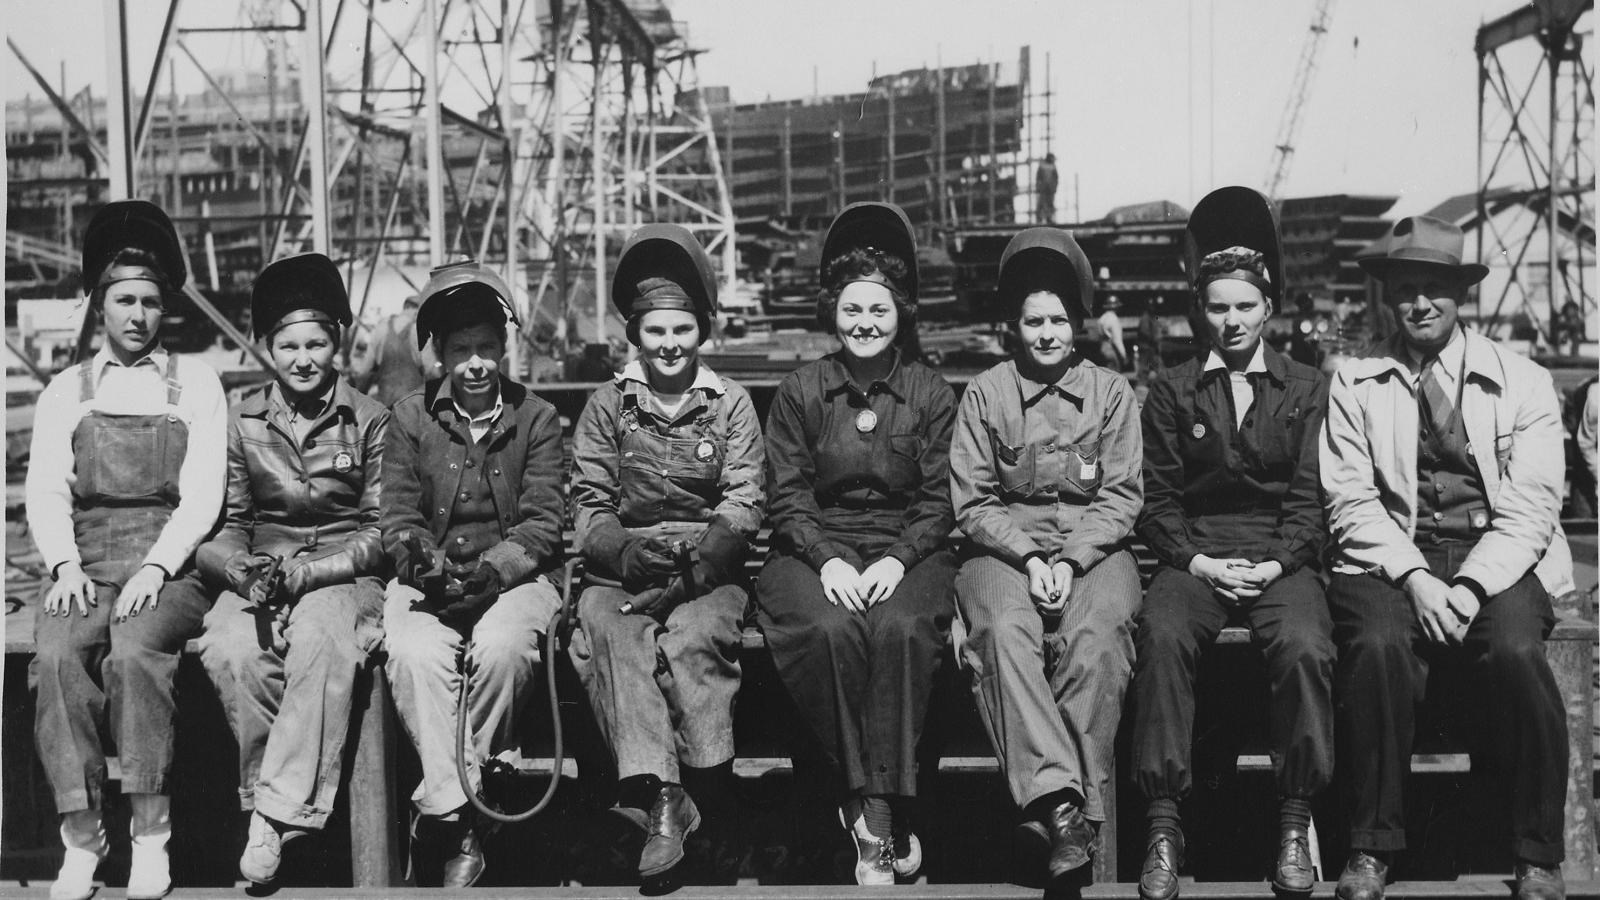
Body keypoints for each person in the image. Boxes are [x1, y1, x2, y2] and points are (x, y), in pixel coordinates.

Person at [1322, 216, 1576, 900]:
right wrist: (1412, 576)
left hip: (1496, 554)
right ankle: (1372, 847)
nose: (1420, 303)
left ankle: (1537, 853)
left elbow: (1531, 509)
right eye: (1406, 288)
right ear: (1389, 298)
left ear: (1462, 296)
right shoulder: (1354, 380)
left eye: (1435, 287)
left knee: (1519, 650)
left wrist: (1465, 588)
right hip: (1390, 555)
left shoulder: (1523, 381)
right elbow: (1349, 501)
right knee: (1377, 646)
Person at [1129, 186, 1332, 900]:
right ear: (1201, 310)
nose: (1232, 320)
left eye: (1245, 306)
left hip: (1284, 556)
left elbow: (1311, 500)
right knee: (1159, 633)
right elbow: (1157, 506)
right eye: (1218, 307)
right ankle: (1162, 823)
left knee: (1305, 642)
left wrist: (1276, 563)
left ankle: (1295, 817)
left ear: (1268, 308)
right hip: (1199, 554)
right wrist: (1199, 563)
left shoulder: (1307, 388)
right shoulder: (1172, 391)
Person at [26, 200, 227, 900]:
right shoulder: (67, 391)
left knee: (136, 652)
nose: (138, 314)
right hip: (87, 557)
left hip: (168, 559)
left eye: (149, 301)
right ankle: (81, 838)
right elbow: (46, 490)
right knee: (55, 655)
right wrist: (64, 565)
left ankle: (150, 836)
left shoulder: (195, 382)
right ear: (99, 305)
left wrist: (157, 566)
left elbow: (203, 495)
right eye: (123, 300)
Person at [755, 202, 957, 885]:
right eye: (850, 311)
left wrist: (901, 558)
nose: (864, 323)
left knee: (902, 628)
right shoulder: (801, 391)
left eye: (877, 310)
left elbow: (938, 499)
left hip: (908, 549)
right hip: (816, 548)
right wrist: (826, 558)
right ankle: (875, 814)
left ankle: (875, 809)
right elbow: (786, 492)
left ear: (900, 312)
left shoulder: (929, 393)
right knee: (826, 628)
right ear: (831, 314)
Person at [568, 224, 765, 882]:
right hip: (625, 566)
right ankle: (662, 798)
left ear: (701, 331)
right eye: (655, 332)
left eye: (682, 330)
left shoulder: (730, 403)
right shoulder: (608, 407)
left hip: (708, 568)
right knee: (609, 632)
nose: (669, 345)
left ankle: (708, 789)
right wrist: (624, 556)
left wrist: (699, 568)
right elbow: (589, 504)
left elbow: (743, 500)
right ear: (636, 335)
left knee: (695, 638)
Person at [950, 227, 1143, 883]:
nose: (1047, 334)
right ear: (1015, 326)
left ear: (1077, 323)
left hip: (1096, 547)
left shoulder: (1111, 394)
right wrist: (1032, 557)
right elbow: (974, 501)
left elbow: (1120, 496)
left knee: (1098, 635)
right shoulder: (987, 393)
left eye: (1058, 319)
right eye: (1033, 321)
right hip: (1003, 548)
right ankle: (1066, 808)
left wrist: (1072, 559)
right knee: (1001, 630)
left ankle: (1063, 821)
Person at [193, 253, 390, 887]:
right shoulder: (243, 418)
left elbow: (380, 530)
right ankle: (272, 807)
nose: (303, 358)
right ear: (267, 348)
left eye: (317, 343)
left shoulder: (370, 418)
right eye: (288, 345)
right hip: (266, 567)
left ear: (337, 342)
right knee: (229, 648)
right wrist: (246, 573)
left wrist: (312, 575)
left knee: (317, 640)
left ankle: (273, 819)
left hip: (344, 572)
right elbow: (228, 526)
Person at [379, 260, 565, 887]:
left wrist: (495, 570)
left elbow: (543, 523)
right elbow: (398, 517)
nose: (477, 363)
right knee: (410, 652)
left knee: (505, 647)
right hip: (429, 584)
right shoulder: (408, 420)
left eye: (488, 347)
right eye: (461, 350)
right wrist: (419, 562)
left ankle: (442, 806)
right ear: (439, 355)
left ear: (504, 347)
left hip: (512, 581)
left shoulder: (536, 419)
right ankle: (464, 815)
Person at [350, 294, 437, 406]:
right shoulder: (419, 332)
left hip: (385, 406)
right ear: (416, 310)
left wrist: (359, 400)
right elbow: (433, 372)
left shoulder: (380, 329)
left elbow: (365, 372)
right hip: (414, 408)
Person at [1097, 295, 1127, 371]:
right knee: (1114, 376)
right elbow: (1117, 340)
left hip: (1103, 349)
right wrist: (1123, 355)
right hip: (1112, 350)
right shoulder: (1114, 319)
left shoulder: (1101, 318)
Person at [1036, 153, 1059, 224]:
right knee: (1043, 204)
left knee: (1048, 204)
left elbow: (1056, 178)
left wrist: (1054, 187)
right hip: (1045, 188)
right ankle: (1042, 218)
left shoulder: (1050, 166)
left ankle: (1047, 218)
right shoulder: (1047, 166)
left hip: (1048, 188)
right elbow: (1039, 177)